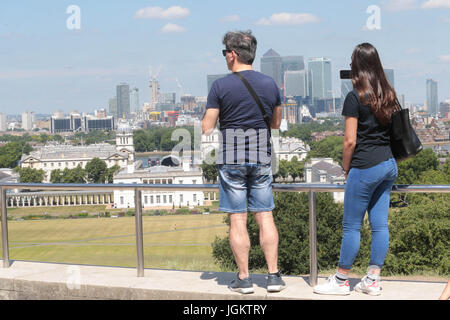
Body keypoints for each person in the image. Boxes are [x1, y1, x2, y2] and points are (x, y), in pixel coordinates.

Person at [202, 30, 284, 294]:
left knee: (238, 220)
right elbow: (276, 123)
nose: (225, 57)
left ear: (233, 54)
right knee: (265, 216)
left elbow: (207, 127)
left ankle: (245, 278)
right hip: (261, 156)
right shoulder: (270, 84)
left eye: (225, 52)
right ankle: (273, 276)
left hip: (232, 158)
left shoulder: (220, 86)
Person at [313, 43, 398, 296]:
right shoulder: (389, 93)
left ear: (356, 67)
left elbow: (350, 140)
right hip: (388, 165)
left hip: (365, 166)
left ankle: (341, 281)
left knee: (351, 226)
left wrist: (346, 167)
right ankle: (372, 280)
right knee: (380, 225)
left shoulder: (355, 96)